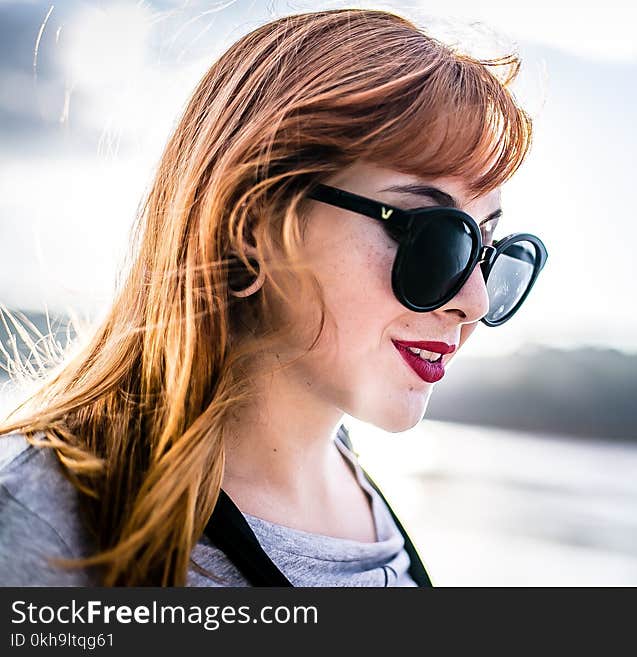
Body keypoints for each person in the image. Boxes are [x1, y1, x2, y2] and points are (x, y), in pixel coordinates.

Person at [0, 8, 546, 586]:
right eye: (435, 238)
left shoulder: (359, 487)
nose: (476, 301)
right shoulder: (47, 523)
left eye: (486, 247)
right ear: (250, 222)